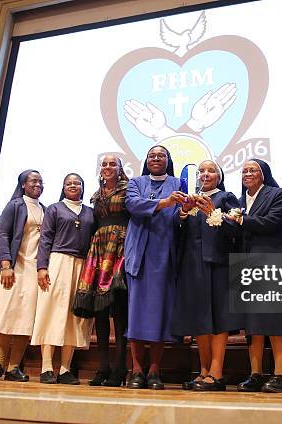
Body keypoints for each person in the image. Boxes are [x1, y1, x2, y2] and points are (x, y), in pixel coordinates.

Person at [225, 158, 282, 393]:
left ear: (264, 174)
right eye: (244, 171)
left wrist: (240, 220)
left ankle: (281, 374)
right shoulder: (239, 201)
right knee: (253, 320)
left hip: (272, 261)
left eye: (253, 170)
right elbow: (235, 230)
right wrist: (217, 218)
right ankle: (255, 373)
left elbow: (271, 222)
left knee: (276, 317)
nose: (248, 174)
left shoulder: (277, 194)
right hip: (246, 265)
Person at [171, 160, 243, 391]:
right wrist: (183, 210)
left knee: (218, 317)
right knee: (199, 319)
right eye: (201, 171)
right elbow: (176, 227)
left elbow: (235, 229)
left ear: (219, 176)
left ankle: (217, 372)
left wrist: (214, 212)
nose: (205, 174)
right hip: (192, 265)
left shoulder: (226, 197)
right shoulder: (190, 200)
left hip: (218, 263)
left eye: (210, 170)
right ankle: (203, 371)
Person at [124, 145, 186, 390]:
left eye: (161, 155)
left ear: (168, 160)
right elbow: (134, 205)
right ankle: (137, 370)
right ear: (146, 160)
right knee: (136, 313)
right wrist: (165, 202)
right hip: (139, 252)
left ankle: (154, 370)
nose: (156, 158)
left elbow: (181, 212)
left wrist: (182, 211)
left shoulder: (177, 183)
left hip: (165, 252)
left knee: (159, 314)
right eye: (152, 155)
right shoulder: (135, 182)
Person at [0, 170, 44, 382]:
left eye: (41, 181)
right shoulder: (15, 205)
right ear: (23, 184)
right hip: (13, 268)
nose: (38, 185)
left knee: (25, 319)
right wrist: (5, 264)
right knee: (6, 315)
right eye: (34, 181)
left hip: (33, 270)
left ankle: (14, 367)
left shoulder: (45, 209)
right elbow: (2, 234)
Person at [31, 173, 94, 384]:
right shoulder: (54, 209)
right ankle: (47, 367)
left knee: (75, 317)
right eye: (69, 183)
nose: (73, 185)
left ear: (83, 187)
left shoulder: (90, 213)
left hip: (82, 265)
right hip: (57, 262)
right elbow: (45, 239)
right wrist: (42, 267)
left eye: (77, 182)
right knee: (51, 312)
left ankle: (66, 369)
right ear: (63, 187)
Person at [73, 155, 130, 387]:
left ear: (120, 169)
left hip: (121, 248)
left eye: (112, 164)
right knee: (99, 310)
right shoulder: (96, 194)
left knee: (119, 310)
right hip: (98, 249)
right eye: (104, 164)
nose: (107, 167)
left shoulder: (129, 189)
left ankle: (120, 368)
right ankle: (103, 367)